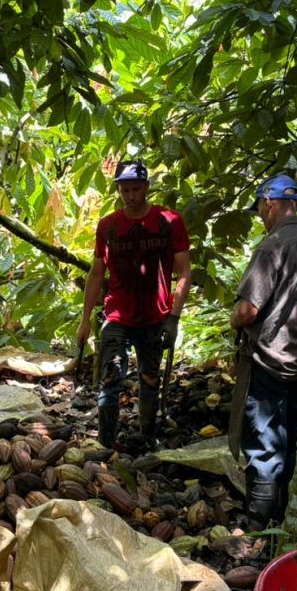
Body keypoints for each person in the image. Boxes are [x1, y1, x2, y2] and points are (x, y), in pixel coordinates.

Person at [230, 173, 297, 530]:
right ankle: (284, 512)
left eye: (259, 209)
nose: (260, 216)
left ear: (269, 204)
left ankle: (257, 520)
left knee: (263, 439)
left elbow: (248, 310)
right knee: (289, 437)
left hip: (270, 357)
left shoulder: (273, 246)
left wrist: (234, 322)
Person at [76, 159, 192, 450]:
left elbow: (184, 271)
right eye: (125, 190)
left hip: (155, 316)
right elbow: (96, 273)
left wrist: (174, 318)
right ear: (118, 190)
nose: (131, 196)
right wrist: (85, 319)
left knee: (150, 379)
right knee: (110, 377)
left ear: (147, 188)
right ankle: (105, 446)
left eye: (136, 189)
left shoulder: (168, 221)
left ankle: (146, 436)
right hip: (117, 316)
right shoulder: (109, 226)